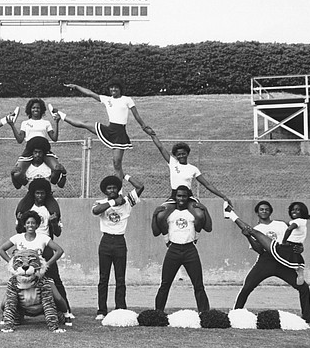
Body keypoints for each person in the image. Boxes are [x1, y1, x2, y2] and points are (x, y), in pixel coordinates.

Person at [226, 201, 310, 325]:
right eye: (261, 209)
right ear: (257, 213)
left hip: (282, 261)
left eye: (266, 209)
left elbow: (294, 238)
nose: (264, 211)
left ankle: (308, 319)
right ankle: (235, 314)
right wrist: (248, 236)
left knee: (303, 288)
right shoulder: (257, 229)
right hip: (265, 260)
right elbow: (259, 249)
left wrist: (300, 248)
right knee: (247, 286)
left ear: (270, 212)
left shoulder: (281, 224)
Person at [49, 80, 153, 179]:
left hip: (119, 134)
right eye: (111, 88)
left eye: (116, 88)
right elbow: (90, 93)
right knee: (84, 123)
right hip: (108, 129)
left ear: (120, 89)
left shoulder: (127, 99)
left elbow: (137, 116)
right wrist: (76, 86)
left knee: (116, 163)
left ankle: (119, 191)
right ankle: (59, 114)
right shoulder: (107, 99)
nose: (113, 90)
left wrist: (144, 127)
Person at [148, 130, 231, 239]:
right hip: (175, 196)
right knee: (160, 216)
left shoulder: (193, 169)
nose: (181, 155)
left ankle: (195, 236)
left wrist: (223, 196)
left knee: (200, 215)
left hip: (188, 196)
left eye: (183, 153)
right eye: (178, 154)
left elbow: (207, 184)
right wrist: (152, 135)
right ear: (176, 156)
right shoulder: (173, 163)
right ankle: (166, 238)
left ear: (187, 153)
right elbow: (161, 147)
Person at [15, 178, 73, 322]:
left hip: (45, 245)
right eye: (37, 193)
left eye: (42, 193)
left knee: (55, 279)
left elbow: (58, 233)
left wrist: (54, 223)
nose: (40, 196)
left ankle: (66, 310)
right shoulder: (27, 208)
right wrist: (19, 221)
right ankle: (18, 312)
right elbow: (18, 229)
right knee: (23, 279)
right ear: (32, 194)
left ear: (47, 193)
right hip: (28, 247)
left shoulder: (50, 209)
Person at [91, 174, 145, 320]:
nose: (112, 190)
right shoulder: (101, 202)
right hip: (106, 241)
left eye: (114, 187)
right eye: (109, 188)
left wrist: (125, 175)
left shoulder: (127, 202)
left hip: (120, 241)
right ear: (105, 190)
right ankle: (101, 310)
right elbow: (95, 211)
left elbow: (140, 187)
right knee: (104, 278)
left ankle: (120, 307)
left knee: (120, 278)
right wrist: (113, 202)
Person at [0, 210, 69, 318]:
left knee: (58, 298)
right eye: (28, 223)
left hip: (39, 277)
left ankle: (66, 314)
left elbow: (59, 251)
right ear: (24, 224)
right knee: (4, 304)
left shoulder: (43, 238)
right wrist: (11, 263)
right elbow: (1, 249)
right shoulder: (18, 237)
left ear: (37, 225)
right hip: (21, 278)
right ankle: (17, 314)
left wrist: (46, 265)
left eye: (33, 223)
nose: (30, 225)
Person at [154, 185, 211, 314]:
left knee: (198, 284)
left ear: (188, 198)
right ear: (175, 197)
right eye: (179, 196)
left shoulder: (192, 213)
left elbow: (208, 228)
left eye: (184, 196)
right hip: (173, 249)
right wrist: (154, 215)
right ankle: (158, 312)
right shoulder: (169, 213)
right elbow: (155, 231)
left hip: (190, 249)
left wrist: (205, 210)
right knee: (165, 284)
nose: (181, 198)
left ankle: (205, 313)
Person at [7, 98, 66, 186]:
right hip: (29, 150)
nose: (36, 109)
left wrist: (57, 122)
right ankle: (28, 186)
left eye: (38, 108)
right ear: (29, 110)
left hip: (44, 150)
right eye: (33, 108)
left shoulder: (46, 122)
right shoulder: (25, 123)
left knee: (57, 169)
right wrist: (12, 125)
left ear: (41, 109)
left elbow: (54, 138)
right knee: (17, 174)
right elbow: (20, 139)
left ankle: (53, 182)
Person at [13, 137, 64, 226]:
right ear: (31, 153)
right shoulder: (27, 167)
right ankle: (23, 233)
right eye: (35, 152)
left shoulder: (48, 166)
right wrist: (12, 175)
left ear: (43, 153)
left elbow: (56, 182)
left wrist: (60, 173)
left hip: (47, 194)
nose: (37, 155)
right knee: (19, 212)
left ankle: (53, 229)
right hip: (31, 193)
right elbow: (18, 186)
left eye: (40, 152)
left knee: (55, 213)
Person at [282, 202, 310, 285]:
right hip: (297, 244)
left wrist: (284, 241)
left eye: (298, 210)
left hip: (290, 244)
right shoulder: (300, 221)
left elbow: (289, 229)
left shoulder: (299, 221)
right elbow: (286, 223)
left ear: (303, 212)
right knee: (296, 259)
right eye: (293, 209)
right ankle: (299, 270)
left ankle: (299, 271)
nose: (294, 211)